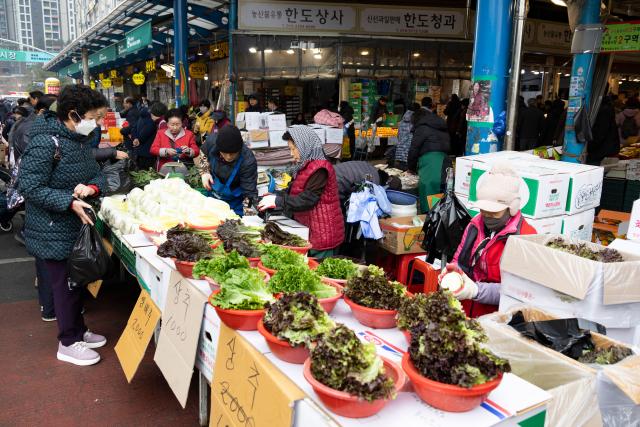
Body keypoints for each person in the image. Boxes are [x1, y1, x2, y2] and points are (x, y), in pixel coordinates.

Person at [18, 84, 108, 365]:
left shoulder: (80, 140)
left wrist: (91, 188)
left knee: (78, 281)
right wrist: (67, 201)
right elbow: (29, 186)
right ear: (74, 115)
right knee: (65, 285)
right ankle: (67, 342)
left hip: (75, 226)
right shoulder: (46, 142)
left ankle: (79, 331)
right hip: (50, 228)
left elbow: (99, 175)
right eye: (95, 117)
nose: (99, 124)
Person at [438, 163, 537, 318]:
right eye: (483, 210)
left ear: (512, 207)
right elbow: (459, 259)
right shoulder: (475, 225)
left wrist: (476, 291)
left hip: (500, 318)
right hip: (468, 309)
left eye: (494, 212)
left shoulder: (524, 238)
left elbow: (518, 291)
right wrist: (453, 272)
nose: (487, 216)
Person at [258, 126, 344, 258]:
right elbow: (294, 191)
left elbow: (307, 200)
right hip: (310, 230)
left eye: (293, 149)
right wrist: (275, 196)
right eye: (290, 149)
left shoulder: (320, 168)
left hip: (323, 234)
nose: (292, 154)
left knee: (320, 273)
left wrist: (277, 201)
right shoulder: (304, 166)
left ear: (304, 145)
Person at [199, 125, 258, 216]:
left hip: (235, 203)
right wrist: (204, 172)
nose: (228, 157)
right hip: (213, 196)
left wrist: (248, 213)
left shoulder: (248, 160)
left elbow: (249, 192)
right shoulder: (212, 141)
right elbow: (203, 153)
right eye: (224, 153)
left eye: (233, 153)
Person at [407, 97, 450, 213]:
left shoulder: (422, 128)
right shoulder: (439, 125)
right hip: (445, 161)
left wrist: (410, 167)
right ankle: (439, 218)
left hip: (432, 163)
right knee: (442, 192)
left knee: (429, 193)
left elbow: (414, 150)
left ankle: (429, 220)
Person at [333, 161, 401, 207]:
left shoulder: (371, 168)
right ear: (387, 184)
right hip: (336, 182)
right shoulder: (373, 181)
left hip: (333, 170)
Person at [587, 95, 619, 165]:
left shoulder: (603, 110)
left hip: (599, 151)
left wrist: (589, 147)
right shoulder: (607, 108)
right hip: (604, 149)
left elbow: (599, 133)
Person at [395, 102, 419, 170]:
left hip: (399, 152)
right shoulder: (414, 122)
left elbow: (398, 135)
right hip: (408, 154)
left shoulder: (401, 121)